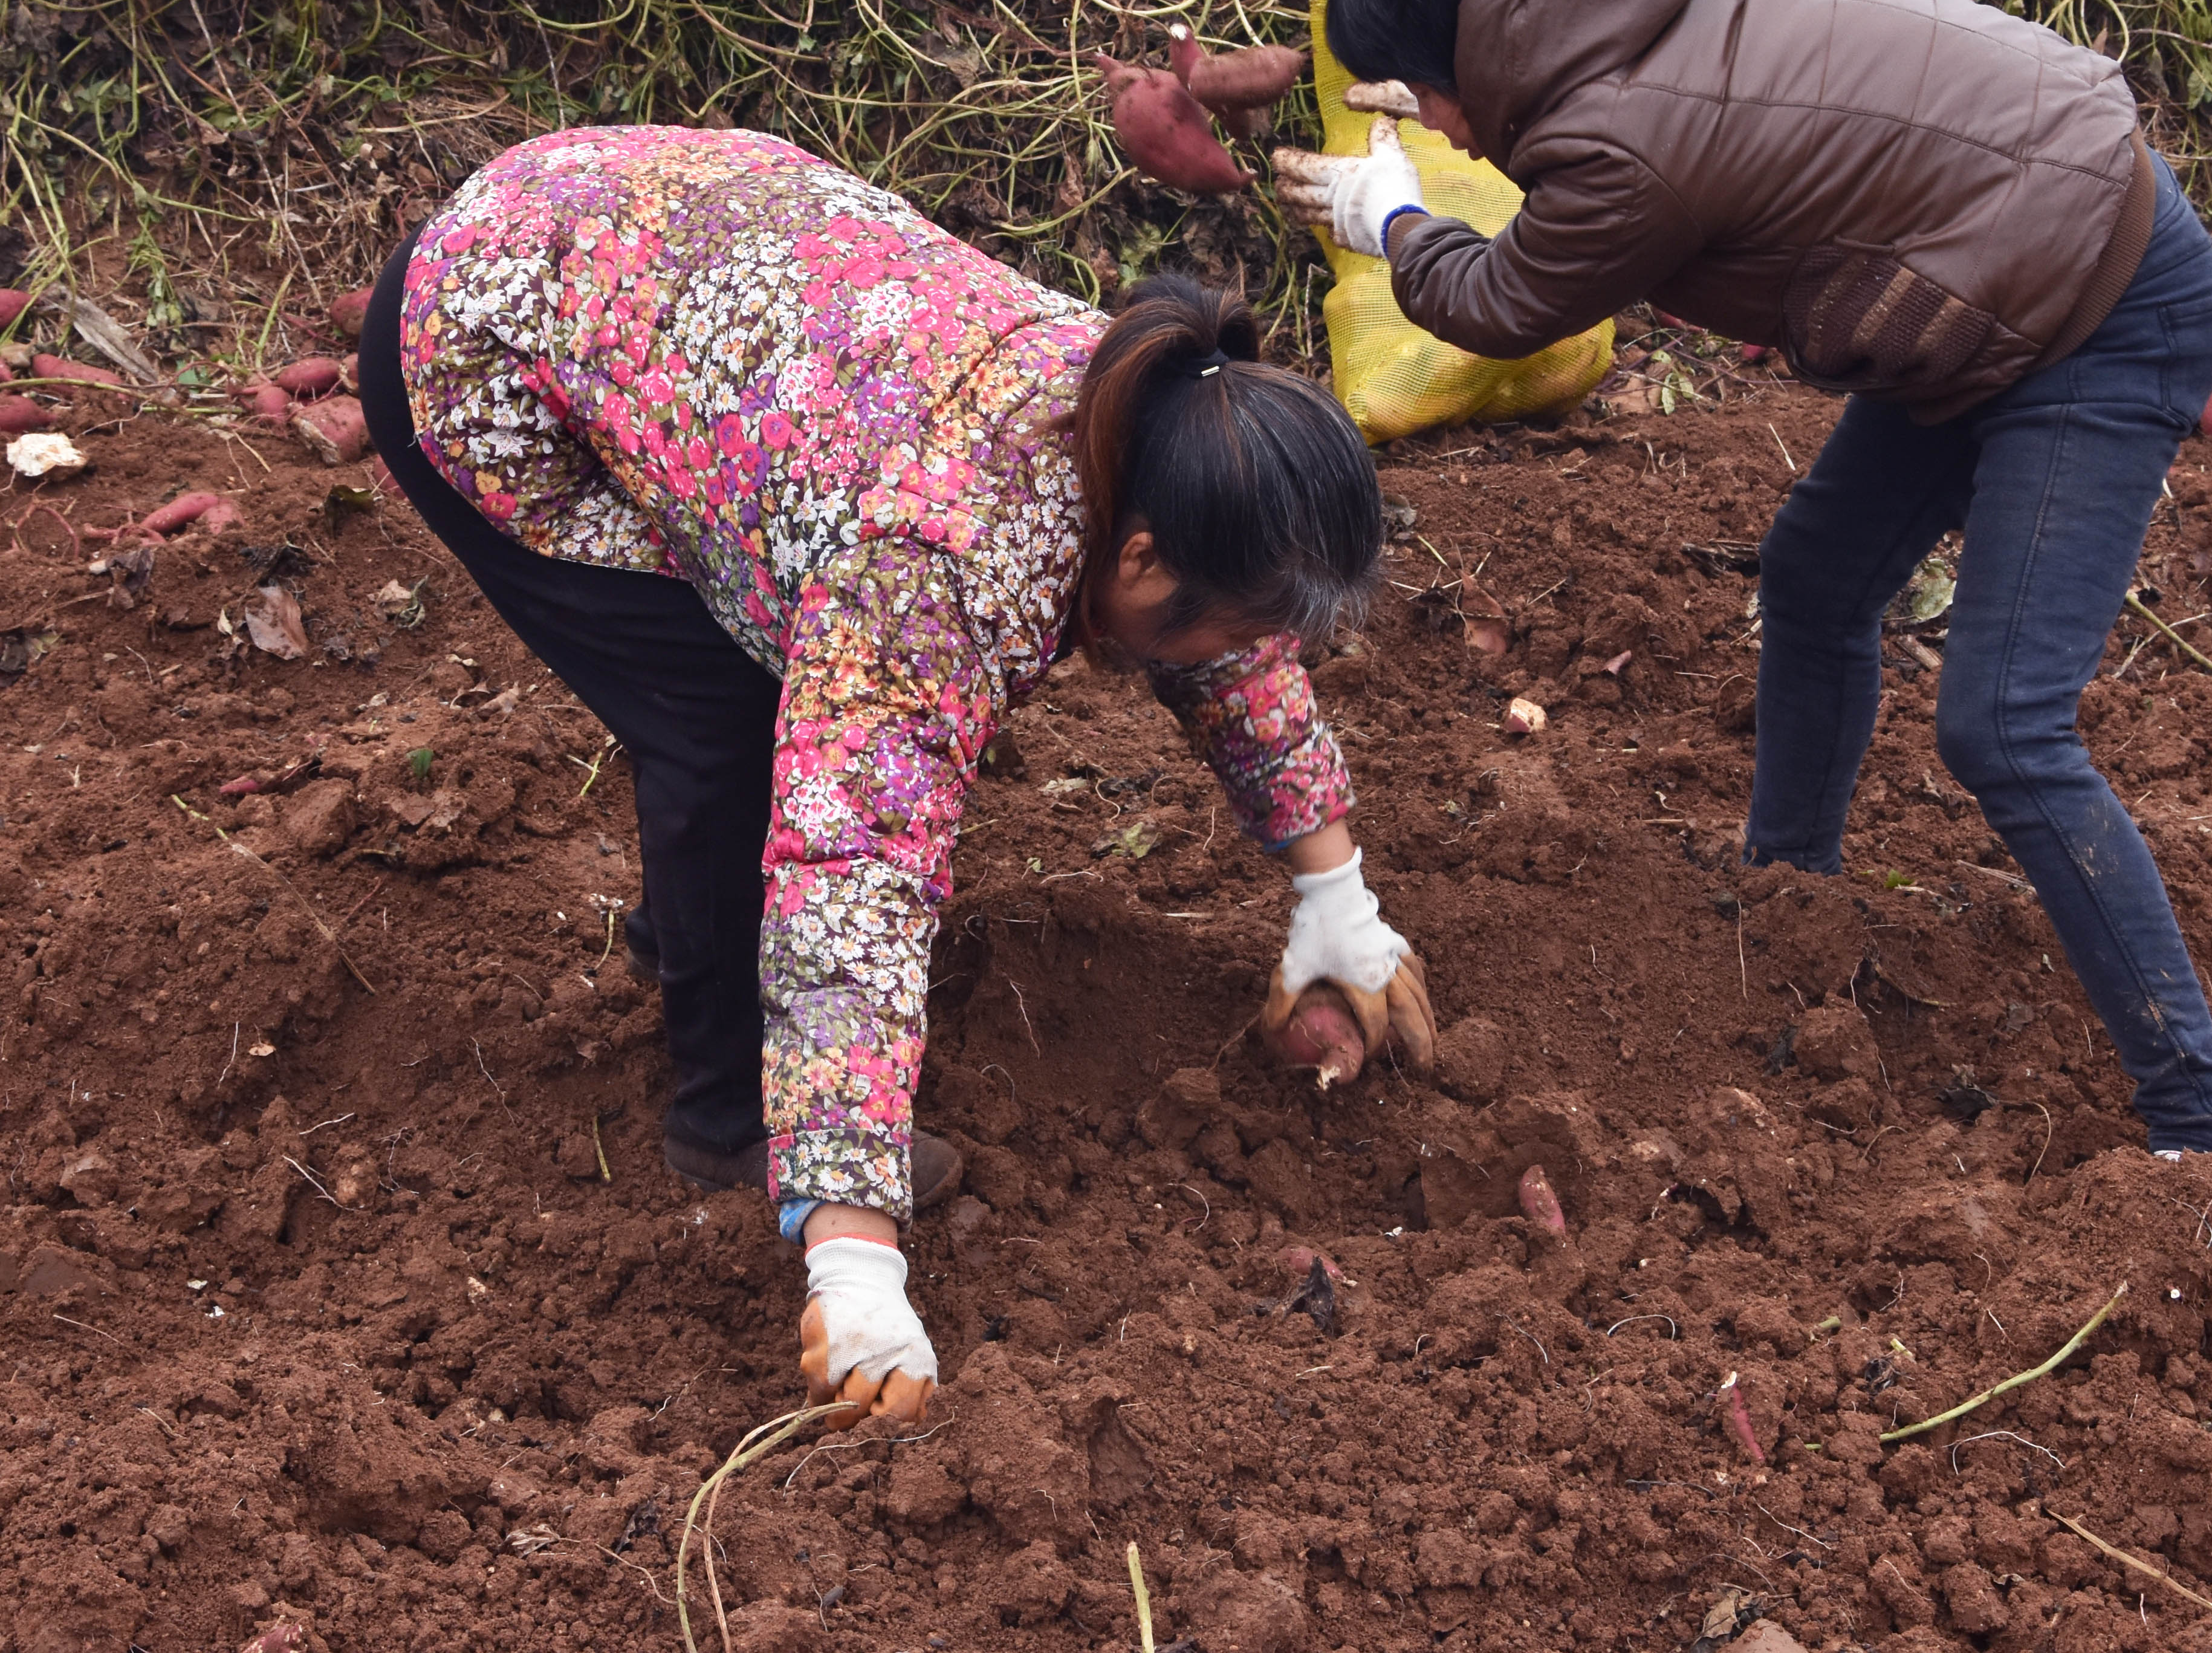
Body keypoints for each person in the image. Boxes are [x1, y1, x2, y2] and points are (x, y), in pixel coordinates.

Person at [358, 126, 1437, 1427]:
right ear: (1144, 559)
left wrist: (1338, 893)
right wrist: (856, 1251)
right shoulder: (935, 565)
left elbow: (1226, 637)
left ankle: (693, 937)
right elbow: (856, 868)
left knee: (786, 676)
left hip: (658, 268)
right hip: (488, 345)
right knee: (727, 727)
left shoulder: (1153, 413)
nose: (1241, 657)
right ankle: (725, 1114)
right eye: (1232, 625)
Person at [1276, 0, 2212, 1186]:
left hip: (2092, 304)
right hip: (1986, 267)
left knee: (2006, 723)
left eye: (1430, 96)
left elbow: (1510, 304)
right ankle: (1790, 896)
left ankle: (2209, 1132)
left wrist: (1388, 217)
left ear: (1466, 34)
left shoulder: (1624, 135)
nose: (1446, 131)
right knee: (1816, 575)